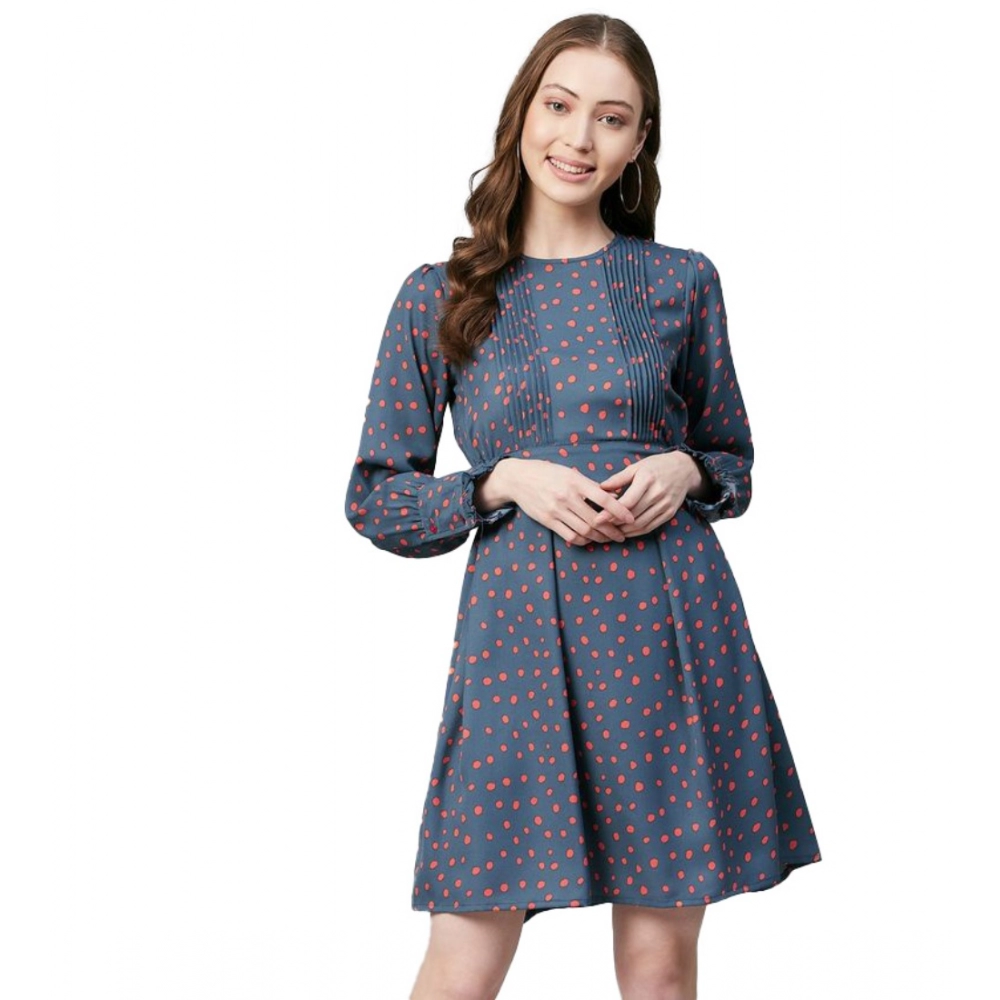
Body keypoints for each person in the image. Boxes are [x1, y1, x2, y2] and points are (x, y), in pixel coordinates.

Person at [344, 13, 821, 999]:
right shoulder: (438, 293)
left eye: (611, 118)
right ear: (522, 114)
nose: (578, 138)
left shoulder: (679, 280)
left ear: (639, 141)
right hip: (518, 645)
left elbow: (731, 459)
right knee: (463, 960)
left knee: (658, 967)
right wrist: (500, 481)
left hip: (668, 628)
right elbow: (377, 498)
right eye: (559, 107)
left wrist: (686, 471)